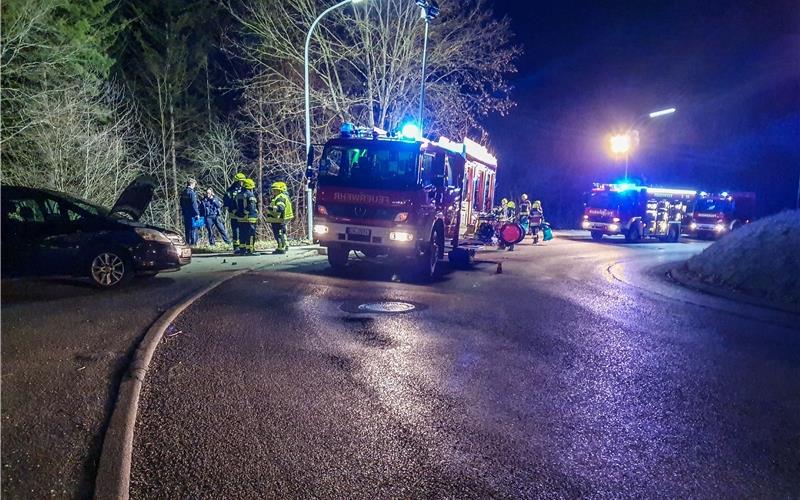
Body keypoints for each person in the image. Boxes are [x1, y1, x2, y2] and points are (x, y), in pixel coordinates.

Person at [265, 181, 294, 254]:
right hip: (282, 218)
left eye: (275, 190)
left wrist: (270, 208)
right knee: (282, 232)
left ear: (279, 190)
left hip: (278, 219)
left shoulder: (280, 198)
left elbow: (280, 208)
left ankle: (281, 248)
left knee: (278, 233)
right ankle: (285, 245)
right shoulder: (281, 196)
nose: (273, 192)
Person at [234, 178, 259, 255]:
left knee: (242, 234)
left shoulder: (239, 194)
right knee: (251, 234)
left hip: (241, 218)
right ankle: (250, 250)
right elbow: (251, 206)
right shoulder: (250, 195)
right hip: (250, 218)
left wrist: (240, 213)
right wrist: (247, 212)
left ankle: (242, 249)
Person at [225, 173, 246, 253]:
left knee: (243, 230)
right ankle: (236, 246)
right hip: (234, 214)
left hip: (243, 215)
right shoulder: (230, 191)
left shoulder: (244, 189)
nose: (242, 183)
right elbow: (227, 202)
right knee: (235, 231)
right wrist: (233, 210)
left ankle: (243, 245)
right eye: (241, 181)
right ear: (237, 181)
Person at [179, 178, 201, 245]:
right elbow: (194, 204)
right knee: (193, 229)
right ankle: (193, 244)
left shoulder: (184, 192)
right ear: (192, 184)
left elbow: (181, 202)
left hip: (186, 213)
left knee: (187, 229)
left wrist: (184, 210)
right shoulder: (191, 193)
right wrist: (197, 213)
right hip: (192, 214)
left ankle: (187, 243)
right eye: (194, 184)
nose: (194, 186)